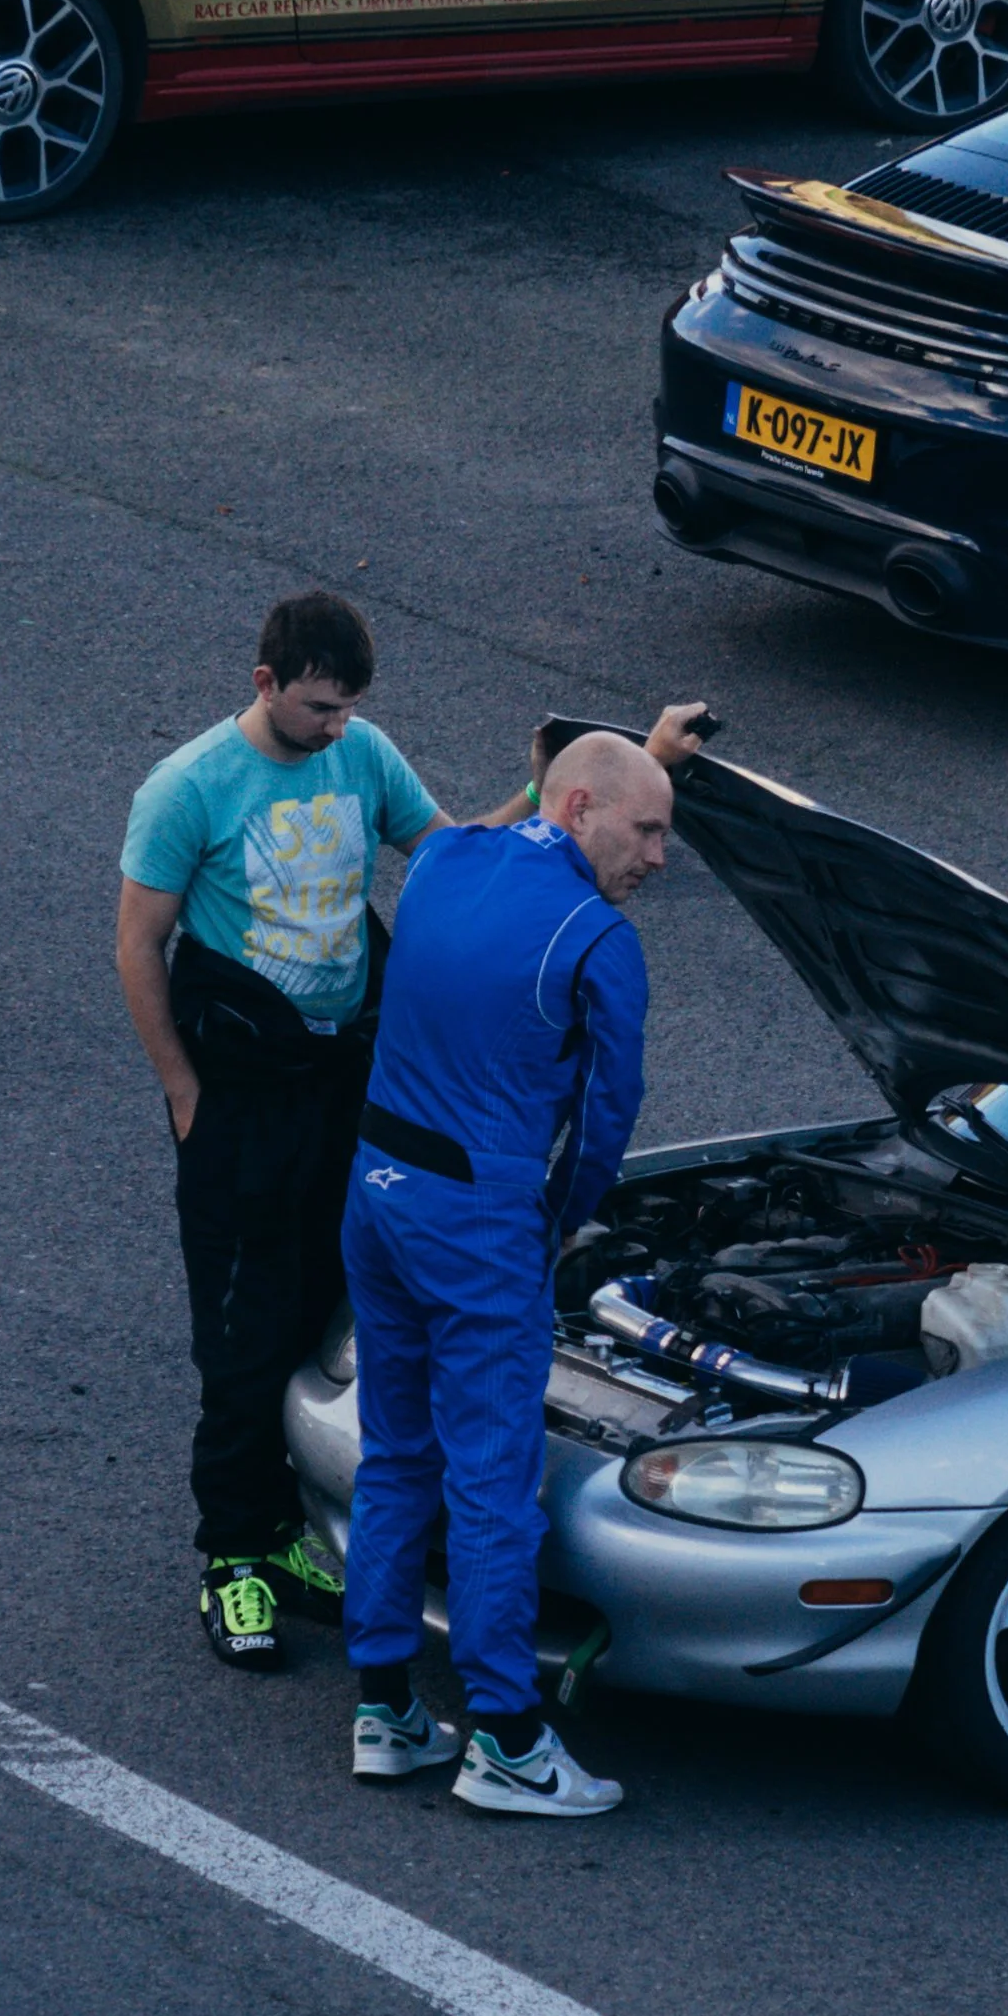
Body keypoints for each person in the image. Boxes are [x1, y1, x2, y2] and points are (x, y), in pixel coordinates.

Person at [117, 595, 701, 1671]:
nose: (337, 727)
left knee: (311, 1305)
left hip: (339, 1078)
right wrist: (183, 1090)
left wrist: (589, 777)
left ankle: (288, 1530)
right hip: (240, 1091)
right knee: (241, 1327)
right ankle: (234, 1555)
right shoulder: (189, 787)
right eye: (319, 706)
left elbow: (457, 857)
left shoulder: (363, 756)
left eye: (349, 709)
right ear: (265, 681)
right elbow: (138, 944)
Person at [340, 731, 679, 1817]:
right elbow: (602, 1127)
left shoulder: (442, 861)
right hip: (477, 1219)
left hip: (375, 1189)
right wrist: (556, 1228)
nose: (662, 856)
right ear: (580, 807)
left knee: (396, 1452)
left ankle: (385, 1706)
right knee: (493, 1483)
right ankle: (509, 1738)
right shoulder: (596, 939)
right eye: (649, 827)